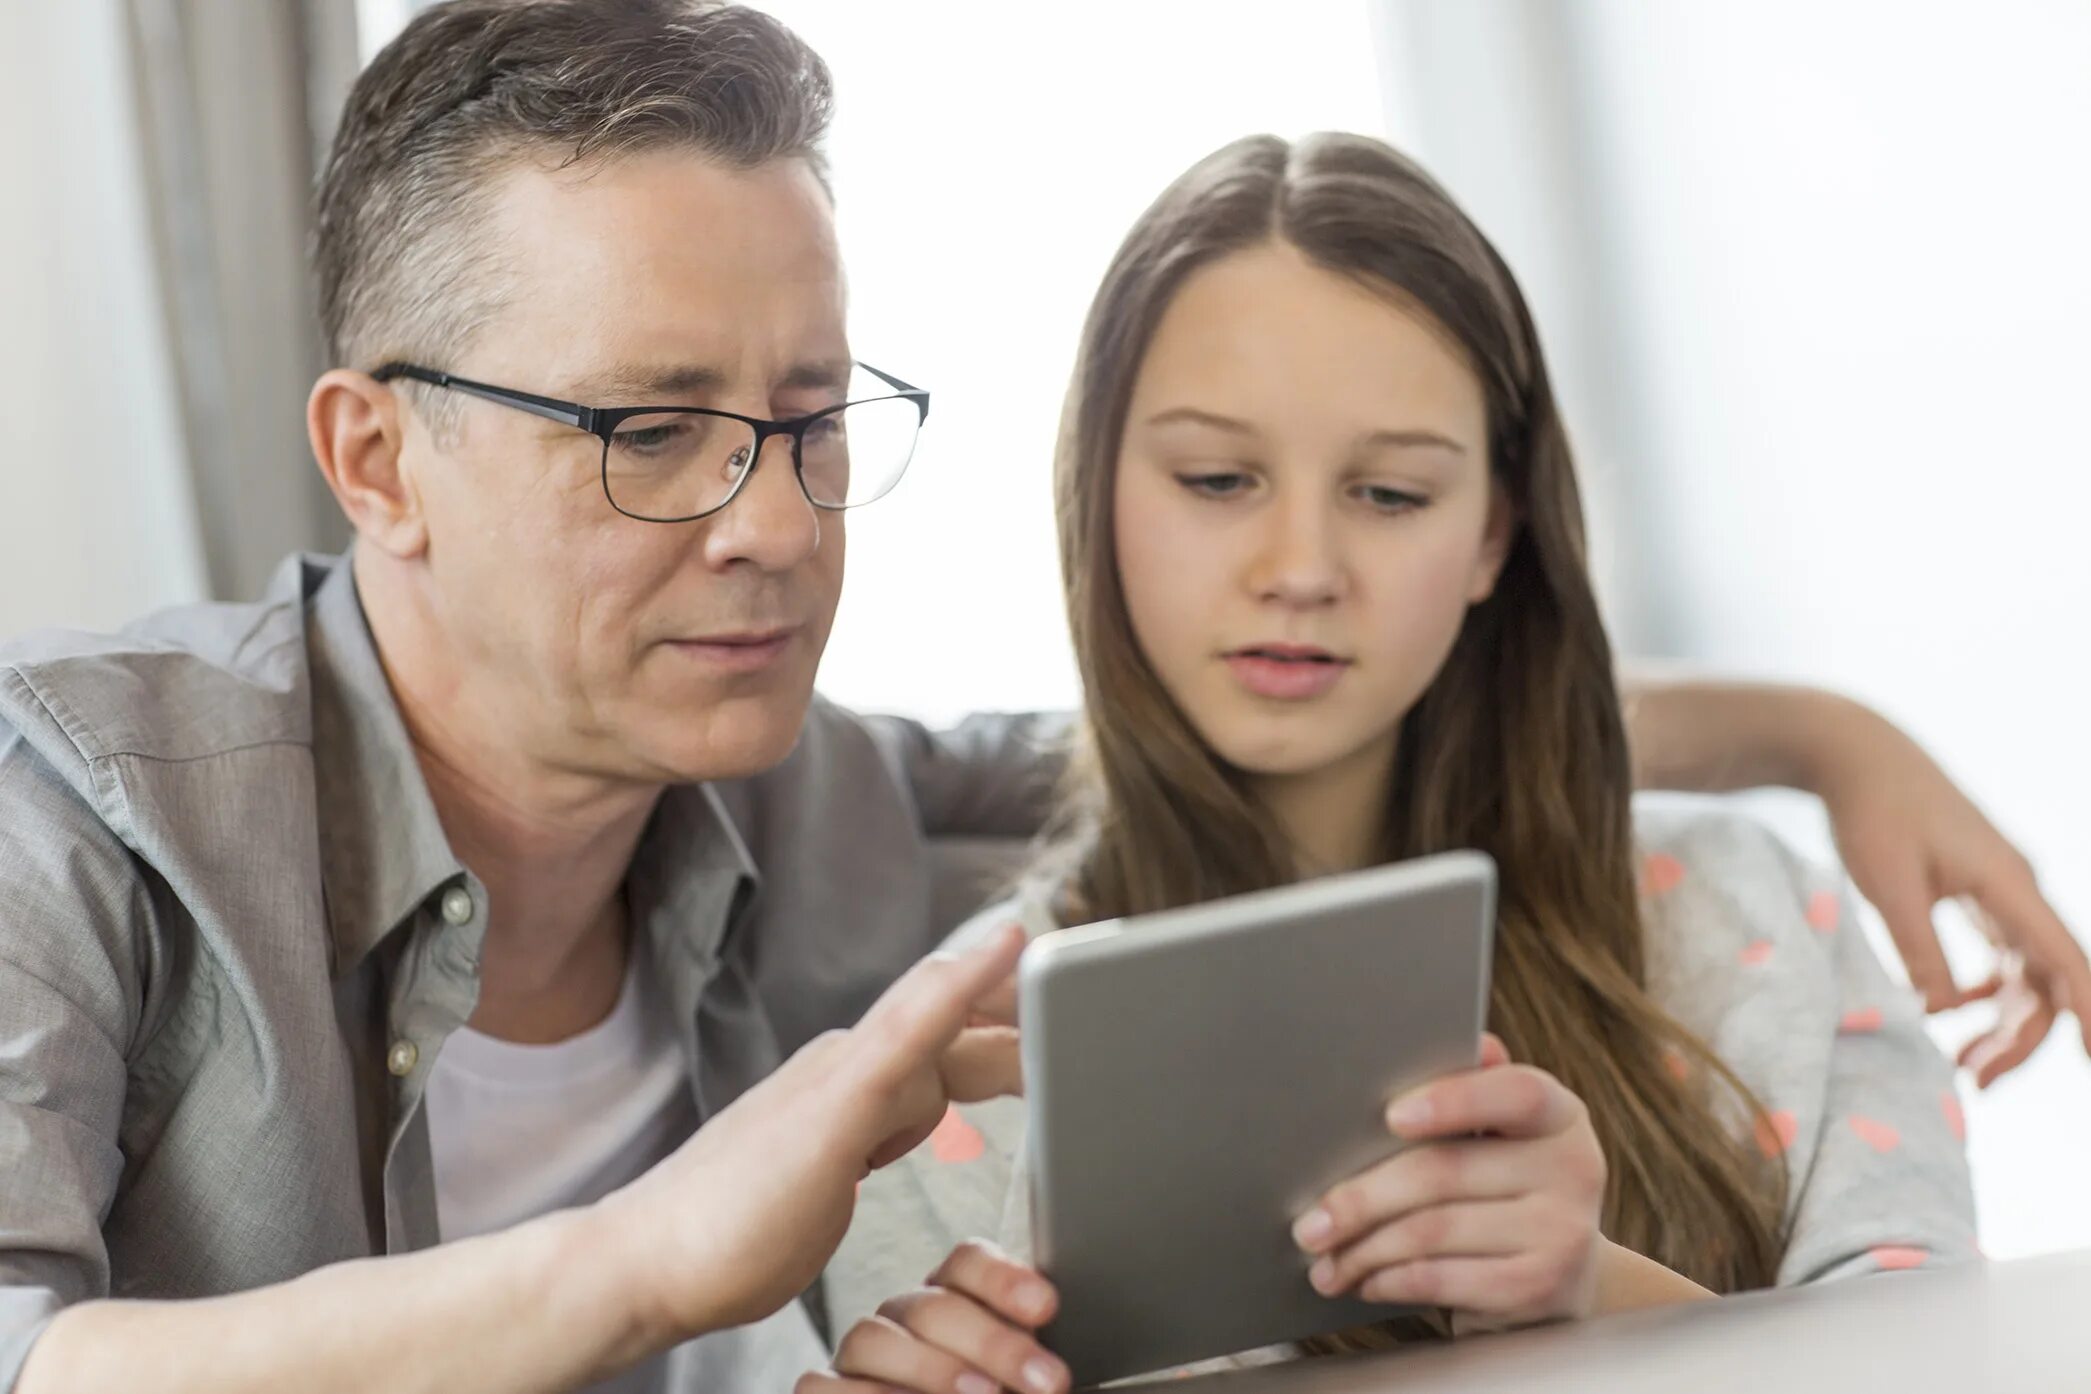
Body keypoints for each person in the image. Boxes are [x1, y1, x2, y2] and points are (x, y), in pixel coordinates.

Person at [0, 4, 2074, 1393]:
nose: (769, 524)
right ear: (374, 462)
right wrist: (639, 1261)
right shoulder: (73, 808)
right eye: (649, 428)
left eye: (813, 420)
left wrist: (1823, 730)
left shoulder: (830, 807)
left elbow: (1285, 700)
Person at [810, 132, 1979, 1392]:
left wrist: (1594, 1287)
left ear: (1494, 536)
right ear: (1095, 495)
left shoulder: (1759, 917)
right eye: (1217, 477)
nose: (1301, 564)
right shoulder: (952, 1068)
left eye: (1390, 494)